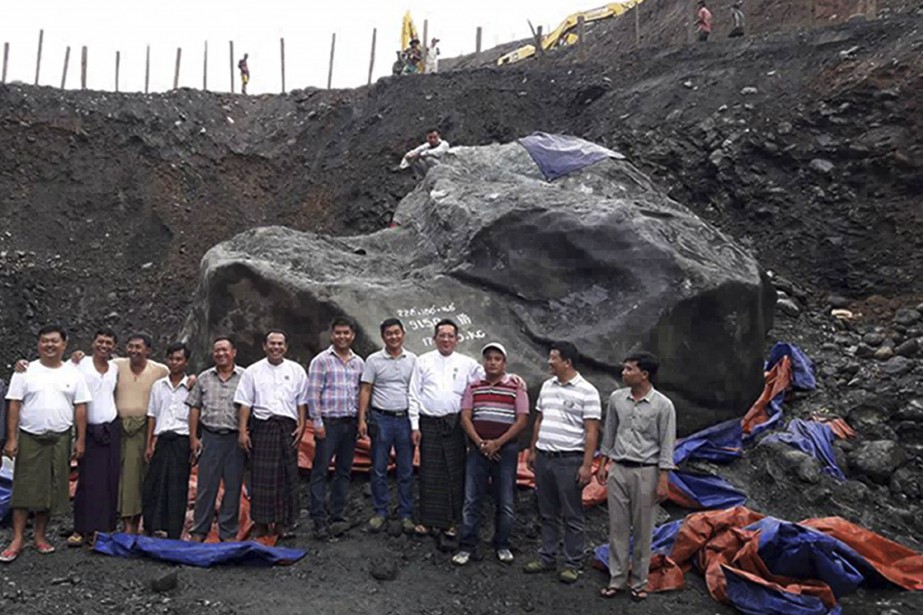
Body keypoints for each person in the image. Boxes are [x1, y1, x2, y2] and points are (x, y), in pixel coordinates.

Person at [1, 325, 91, 563]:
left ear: (64, 344)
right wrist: (11, 438)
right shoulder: (25, 371)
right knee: (23, 488)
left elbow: (80, 407)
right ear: (38, 344)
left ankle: (40, 536)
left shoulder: (74, 373)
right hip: (30, 436)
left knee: (51, 488)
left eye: (54, 341)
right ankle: (17, 538)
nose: (49, 345)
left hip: (60, 437)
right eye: (44, 341)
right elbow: (14, 404)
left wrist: (81, 440)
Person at [597, 352, 676, 601]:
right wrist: (603, 463)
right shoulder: (617, 399)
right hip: (619, 468)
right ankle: (617, 579)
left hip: (646, 470)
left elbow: (667, 443)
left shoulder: (663, 405)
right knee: (617, 527)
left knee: (643, 529)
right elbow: (610, 432)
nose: (624, 373)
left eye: (629, 369)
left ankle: (639, 582)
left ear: (644, 374)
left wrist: (663, 478)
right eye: (624, 368)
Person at [523, 341, 601, 584]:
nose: (549, 362)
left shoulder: (587, 391)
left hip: (569, 460)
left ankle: (572, 562)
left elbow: (591, 431)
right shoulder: (547, 386)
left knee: (571, 513)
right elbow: (539, 420)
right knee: (547, 511)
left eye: (554, 358)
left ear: (567, 362)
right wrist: (533, 449)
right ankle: (547, 556)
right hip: (544, 457)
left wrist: (587, 465)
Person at [452, 342, 529, 566]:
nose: (492, 362)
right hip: (478, 450)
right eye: (489, 359)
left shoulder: (516, 387)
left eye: (497, 359)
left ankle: (502, 544)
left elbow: (522, 420)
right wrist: (481, 443)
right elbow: (465, 417)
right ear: (483, 362)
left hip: (506, 450)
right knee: (471, 498)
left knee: (505, 499)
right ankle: (467, 545)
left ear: (504, 363)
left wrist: (498, 443)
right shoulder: (474, 387)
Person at [409, 319, 482, 544]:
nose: (446, 340)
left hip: (455, 424)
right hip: (428, 423)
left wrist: (512, 379)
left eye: (451, 336)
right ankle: (427, 520)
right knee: (429, 472)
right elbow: (413, 394)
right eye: (442, 335)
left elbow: (487, 379)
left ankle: (450, 522)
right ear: (434, 338)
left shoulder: (468, 363)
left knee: (454, 471)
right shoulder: (422, 361)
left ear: (457, 339)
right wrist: (414, 425)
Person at [234, 330, 308, 538]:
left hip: (287, 428)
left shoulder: (296, 370)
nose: (276, 347)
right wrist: (242, 431)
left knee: (286, 477)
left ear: (286, 347)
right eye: (272, 343)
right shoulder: (253, 371)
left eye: (280, 344)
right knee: (261, 477)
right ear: (264, 346)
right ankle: (261, 523)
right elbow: (245, 403)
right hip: (263, 427)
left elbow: (302, 402)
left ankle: (282, 524)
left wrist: (302, 424)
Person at [358, 318, 417, 535]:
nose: (394, 337)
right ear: (383, 337)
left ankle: (406, 513)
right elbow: (366, 389)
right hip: (381, 419)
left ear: (403, 334)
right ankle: (380, 511)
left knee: (406, 469)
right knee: (379, 467)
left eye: (397, 332)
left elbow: (416, 390)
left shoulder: (413, 360)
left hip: (405, 420)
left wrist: (416, 422)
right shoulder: (373, 360)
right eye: (389, 333)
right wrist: (361, 419)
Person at [308, 317, 365, 539]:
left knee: (343, 470)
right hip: (328, 424)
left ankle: (337, 514)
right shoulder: (321, 361)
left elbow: (360, 392)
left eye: (346, 333)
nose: (342, 337)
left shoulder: (359, 363)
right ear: (332, 335)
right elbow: (313, 393)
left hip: (349, 424)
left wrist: (360, 421)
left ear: (353, 335)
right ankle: (318, 518)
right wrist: (317, 423)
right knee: (320, 470)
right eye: (338, 333)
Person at [186, 336, 245, 542]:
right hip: (210, 437)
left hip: (235, 439)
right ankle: (199, 530)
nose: (221, 354)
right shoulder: (204, 378)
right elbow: (194, 407)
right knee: (206, 486)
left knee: (233, 486)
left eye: (225, 350)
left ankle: (227, 532)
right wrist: (194, 437)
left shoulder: (245, 377)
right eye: (217, 350)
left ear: (233, 352)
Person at [113, 333, 169, 534]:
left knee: (141, 476)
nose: (133, 351)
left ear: (148, 350)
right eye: (131, 346)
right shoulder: (116, 366)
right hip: (120, 427)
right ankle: (126, 522)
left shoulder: (160, 370)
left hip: (146, 428)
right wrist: (76, 358)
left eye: (138, 347)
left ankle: (140, 523)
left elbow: (178, 381)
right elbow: (93, 367)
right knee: (123, 476)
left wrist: (192, 379)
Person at [70, 328, 121, 547]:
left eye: (109, 343)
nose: (104, 346)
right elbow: (57, 372)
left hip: (110, 429)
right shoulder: (80, 364)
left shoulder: (115, 368)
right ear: (93, 343)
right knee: (87, 481)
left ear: (114, 347)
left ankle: (101, 528)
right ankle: (81, 528)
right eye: (100, 341)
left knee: (108, 480)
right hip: (88, 431)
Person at [142, 342, 193, 539]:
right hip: (162, 439)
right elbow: (152, 415)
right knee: (154, 484)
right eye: (171, 358)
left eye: (179, 359)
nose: (175, 362)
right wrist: (150, 442)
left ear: (186, 362)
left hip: (181, 440)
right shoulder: (158, 386)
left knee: (177, 486)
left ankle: (173, 531)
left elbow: (196, 414)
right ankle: (153, 526)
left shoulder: (192, 386)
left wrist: (194, 442)